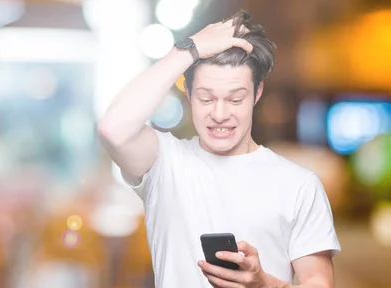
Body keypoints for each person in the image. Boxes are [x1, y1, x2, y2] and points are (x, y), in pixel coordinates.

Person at [97, 10, 341, 288]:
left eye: (235, 99)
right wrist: (187, 50)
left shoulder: (299, 184)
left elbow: (319, 283)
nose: (220, 114)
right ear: (188, 93)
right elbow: (113, 129)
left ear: (257, 93)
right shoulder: (165, 163)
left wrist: (264, 284)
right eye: (206, 98)